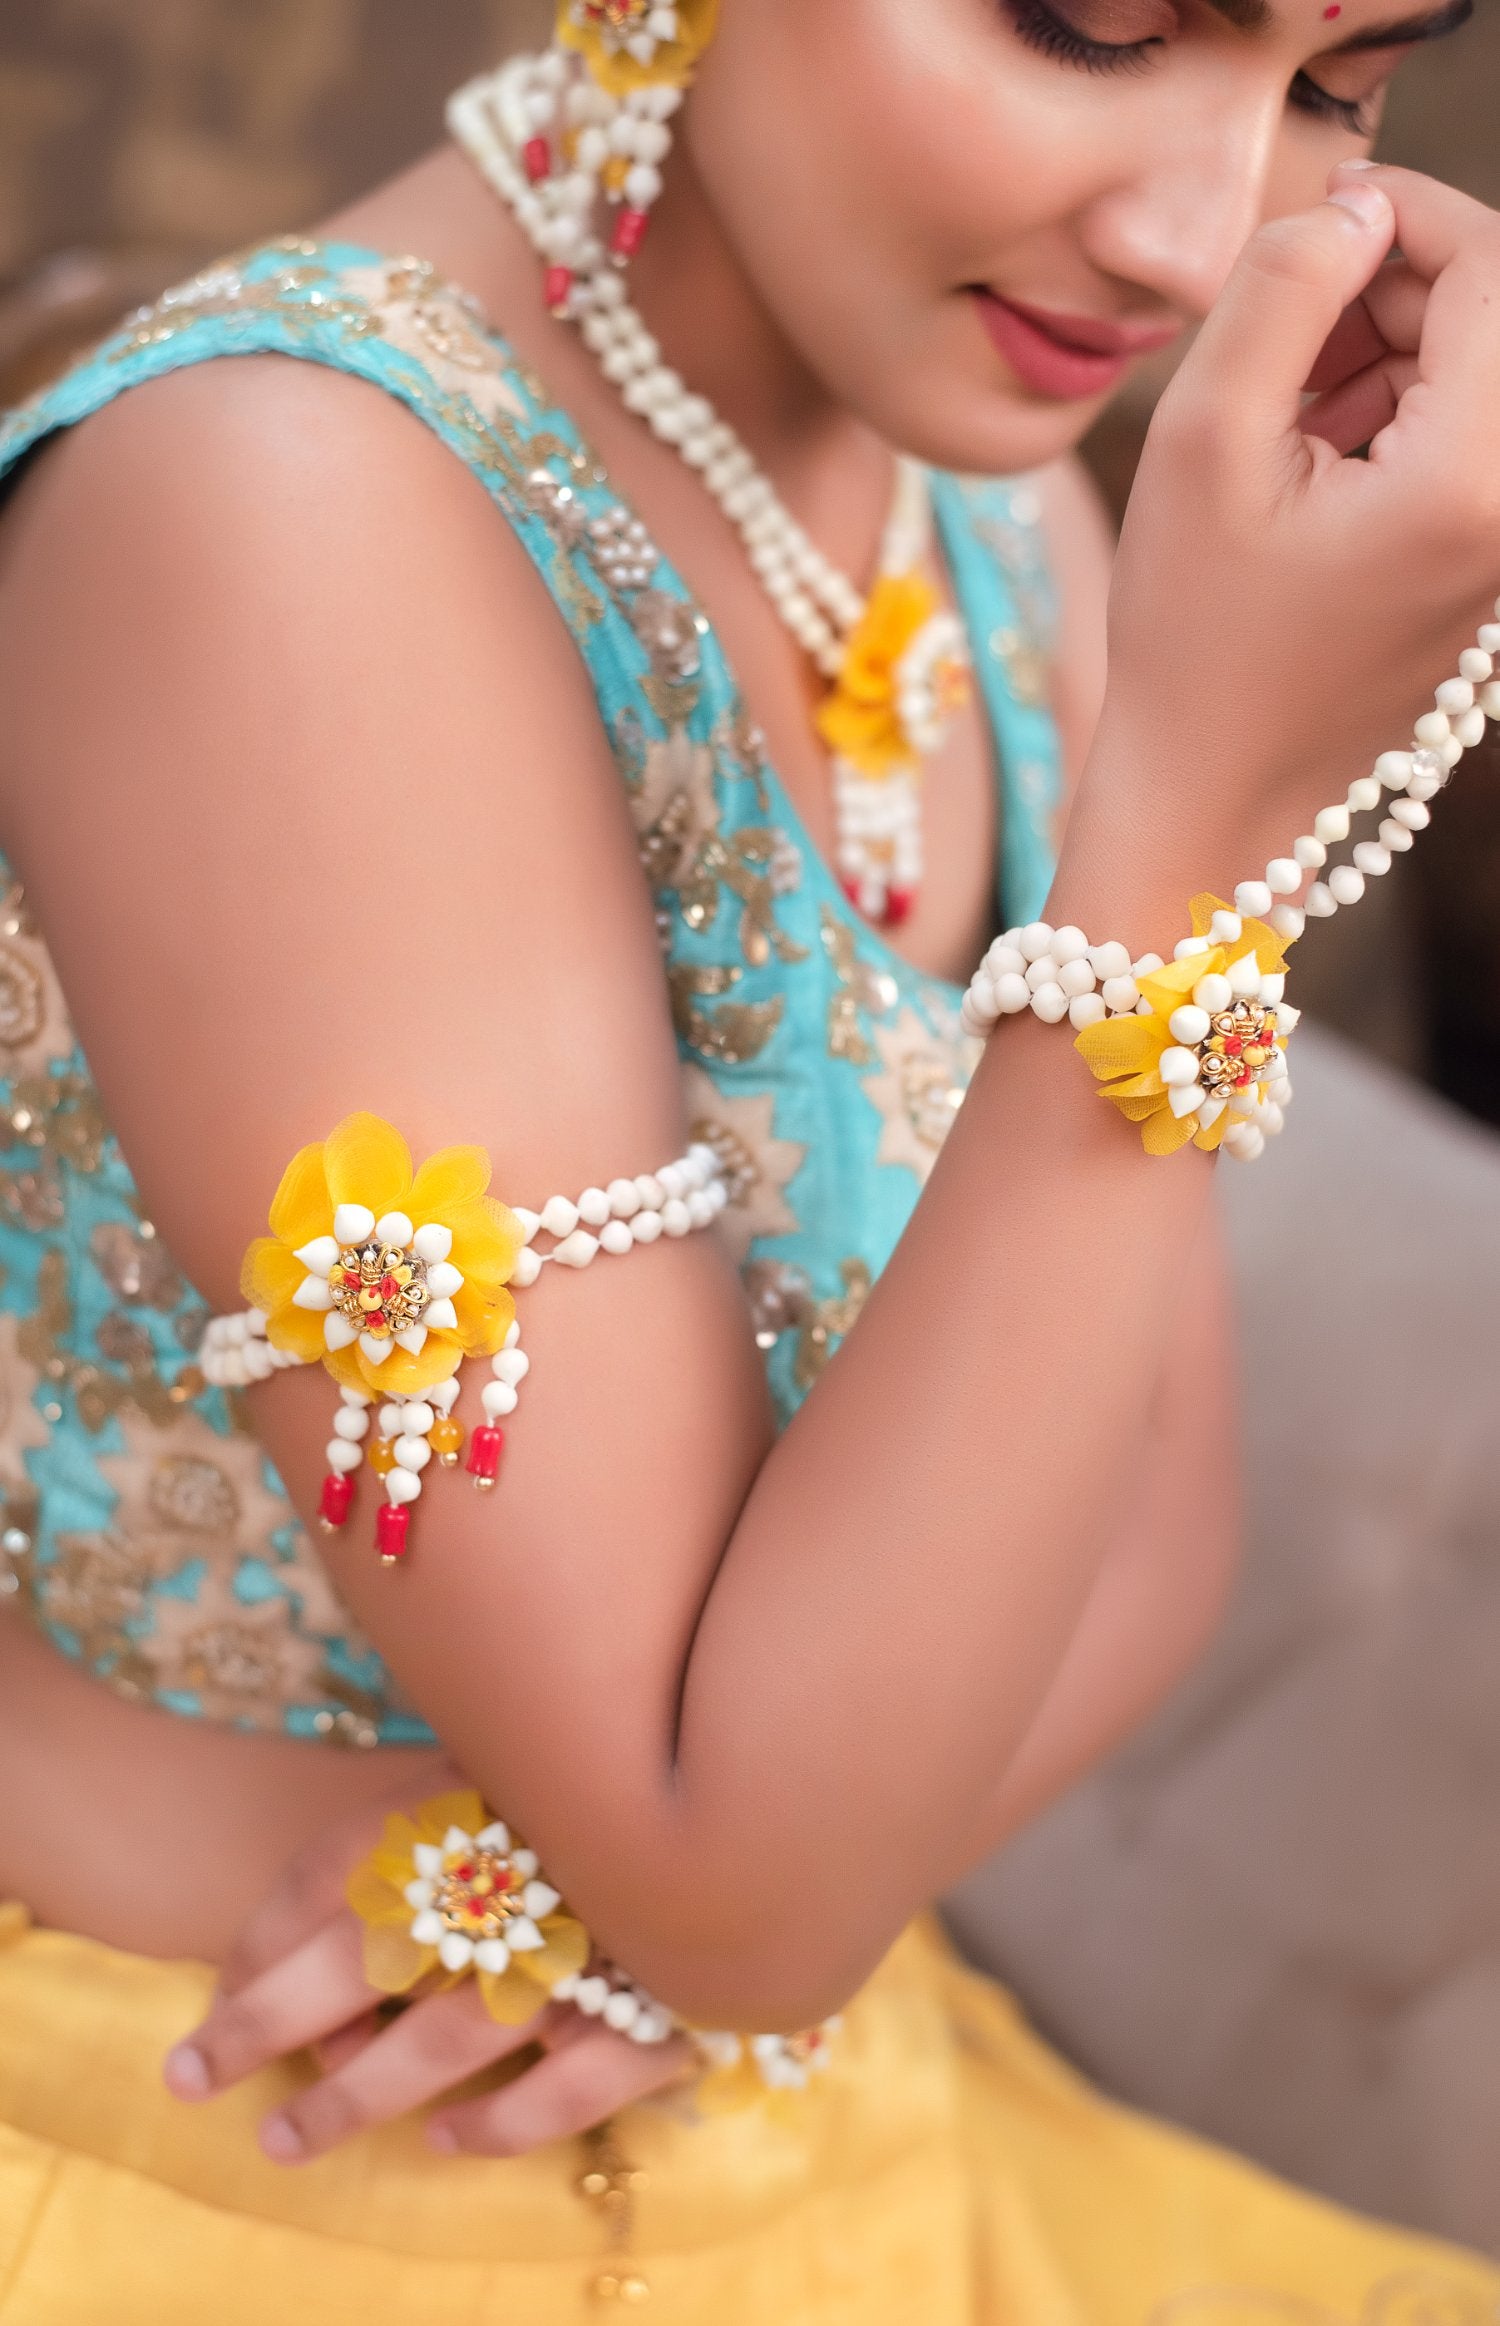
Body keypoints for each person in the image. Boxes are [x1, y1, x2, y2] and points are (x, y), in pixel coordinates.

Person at [0, 0, 1497, 2316]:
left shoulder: (991, 503)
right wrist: (1193, 833)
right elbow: (744, 1874)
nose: (1208, 239)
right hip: (237, 2143)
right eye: (1095, 23)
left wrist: (659, 1917)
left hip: (795, 2099)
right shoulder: (275, 513)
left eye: (1339, 86)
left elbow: (1156, 1518)